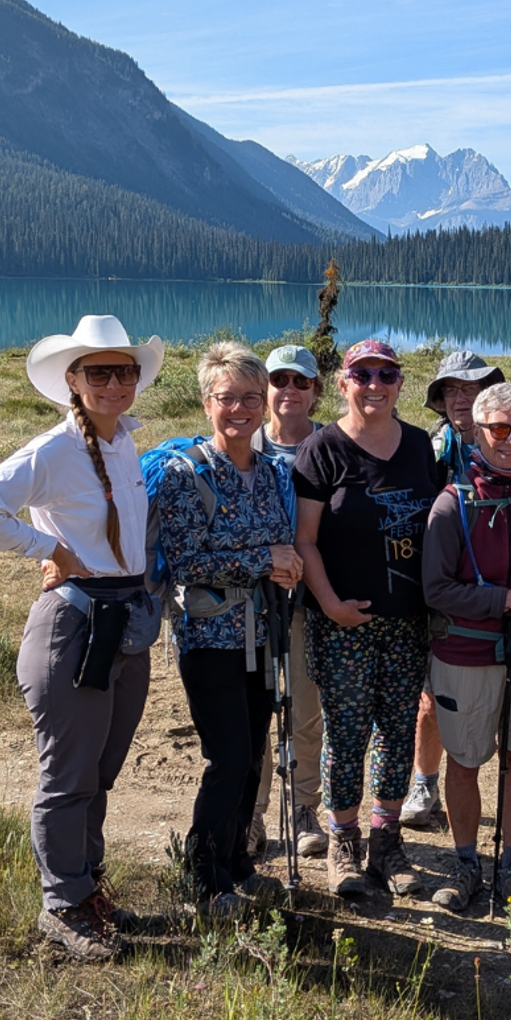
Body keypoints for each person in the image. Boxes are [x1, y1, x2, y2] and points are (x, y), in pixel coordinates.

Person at [0, 313, 164, 962]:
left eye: (123, 370)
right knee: (69, 773)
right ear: (73, 379)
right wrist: (47, 547)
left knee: (101, 769)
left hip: (125, 622)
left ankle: (88, 886)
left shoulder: (126, 441)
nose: (114, 383)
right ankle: (63, 904)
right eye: (99, 372)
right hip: (74, 625)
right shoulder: (54, 449)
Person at [149, 342, 303, 920]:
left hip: (262, 634)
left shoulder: (271, 472)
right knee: (229, 757)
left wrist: (286, 565)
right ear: (205, 402)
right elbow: (186, 558)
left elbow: (279, 546)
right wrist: (266, 559)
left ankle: (236, 863)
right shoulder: (184, 476)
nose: (239, 409)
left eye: (250, 398)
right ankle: (206, 876)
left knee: (253, 754)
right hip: (209, 638)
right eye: (226, 398)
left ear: (265, 404)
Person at [293, 339, 443, 898]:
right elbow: (304, 541)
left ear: (400, 383)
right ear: (343, 382)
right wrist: (330, 603)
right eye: (363, 374)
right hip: (342, 623)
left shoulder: (420, 446)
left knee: (398, 732)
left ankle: (387, 843)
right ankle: (342, 840)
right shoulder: (322, 449)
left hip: (408, 622)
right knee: (347, 733)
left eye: (387, 374)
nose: (375, 384)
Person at [403, 348, 511, 846]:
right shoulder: (431, 454)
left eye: (471, 389)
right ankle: (427, 789)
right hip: (456, 627)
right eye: (452, 390)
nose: (461, 398)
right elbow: (437, 581)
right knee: (440, 719)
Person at [246, 344, 329, 860]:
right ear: (266, 389)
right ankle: (251, 814)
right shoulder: (241, 442)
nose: (290, 391)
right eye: (280, 381)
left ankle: (304, 810)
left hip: (311, 603)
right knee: (254, 709)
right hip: (252, 601)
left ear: (317, 391)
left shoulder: (331, 446)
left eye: (302, 382)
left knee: (305, 708)